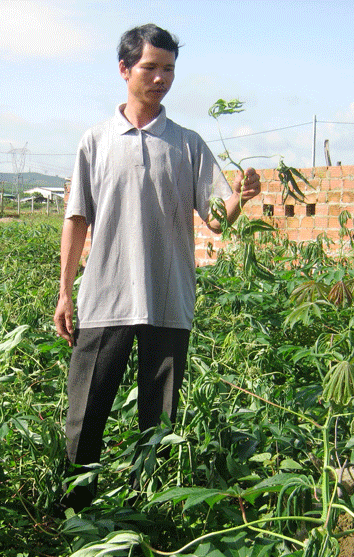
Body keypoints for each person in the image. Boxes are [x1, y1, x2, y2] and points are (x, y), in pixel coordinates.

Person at [54, 24, 261, 512]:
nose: (161, 78)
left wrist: (239, 199)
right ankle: (74, 511)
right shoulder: (96, 140)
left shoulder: (187, 144)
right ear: (124, 70)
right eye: (150, 68)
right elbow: (76, 218)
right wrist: (65, 291)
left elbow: (213, 219)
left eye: (169, 69)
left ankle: (150, 506)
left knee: (159, 418)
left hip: (168, 298)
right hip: (104, 297)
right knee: (86, 413)